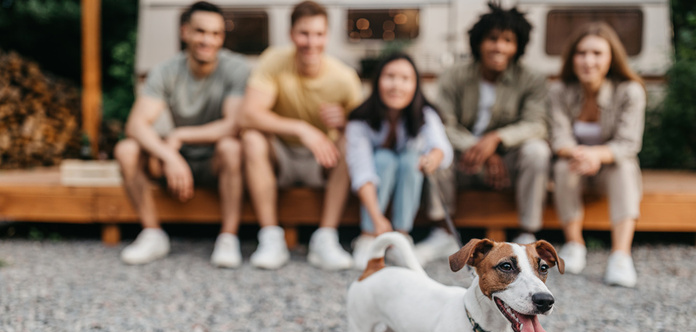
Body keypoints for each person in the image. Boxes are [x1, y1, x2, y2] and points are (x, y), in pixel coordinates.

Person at [114, 1, 250, 267]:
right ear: (185, 32)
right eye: (200, 31)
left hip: (215, 158)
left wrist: (180, 135)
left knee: (232, 147)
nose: (207, 40)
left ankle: (228, 237)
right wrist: (170, 155)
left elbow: (232, 125)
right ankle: (152, 233)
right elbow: (136, 124)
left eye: (215, 34)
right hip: (178, 158)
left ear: (222, 37)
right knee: (126, 150)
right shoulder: (166, 70)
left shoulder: (237, 69)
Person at [415, 1, 549, 264]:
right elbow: (442, 124)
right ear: (478, 42)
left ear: (518, 45)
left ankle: (527, 234)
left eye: (508, 40)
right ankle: (442, 232)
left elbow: (537, 124)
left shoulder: (531, 79)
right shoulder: (454, 76)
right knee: (437, 150)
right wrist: (479, 148)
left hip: (508, 165)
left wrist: (496, 140)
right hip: (464, 162)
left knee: (538, 151)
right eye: (492, 39)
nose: (499, 46)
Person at [239, 1, 363, 270]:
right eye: (304, 34)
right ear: (291, 34)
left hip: (322, 161)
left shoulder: (343, 77)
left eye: (318, 34)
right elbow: (247, 114)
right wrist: (301, 128)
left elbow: (365, 130)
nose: (311, 42)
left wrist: (343, 123)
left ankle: (325, 238)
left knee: (352, 139)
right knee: (251, 138)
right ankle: (271, 237)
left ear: (327, 36)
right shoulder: (273, 60)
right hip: (281, 154)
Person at [549, 22, 646, 287]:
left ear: (611, 57)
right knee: (562, 165)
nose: (588, 60)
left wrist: (596, 155)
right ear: (572, 57)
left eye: (597, 53)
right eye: (581, 53)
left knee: (625, 166)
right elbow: (559, 138)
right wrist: (581, 154)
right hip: (576, 167)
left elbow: (628, 143)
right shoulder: (559, 90)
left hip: (610, 170)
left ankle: (621, 255)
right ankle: (574, 244)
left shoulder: (630, 91)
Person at [345, 52, 453, 269]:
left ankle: (402, 237)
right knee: (384, 158)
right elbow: (361, 171)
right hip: (376, 184)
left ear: (415, 85)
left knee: (410, 159)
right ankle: (368, 236)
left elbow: (443, 149)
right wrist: (377, 219)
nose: (397, 85)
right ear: (377, 82)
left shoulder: (425, 114)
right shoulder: (360, 119)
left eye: (405, 79)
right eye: (390, 76)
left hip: (410, 178)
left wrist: (431, 158)